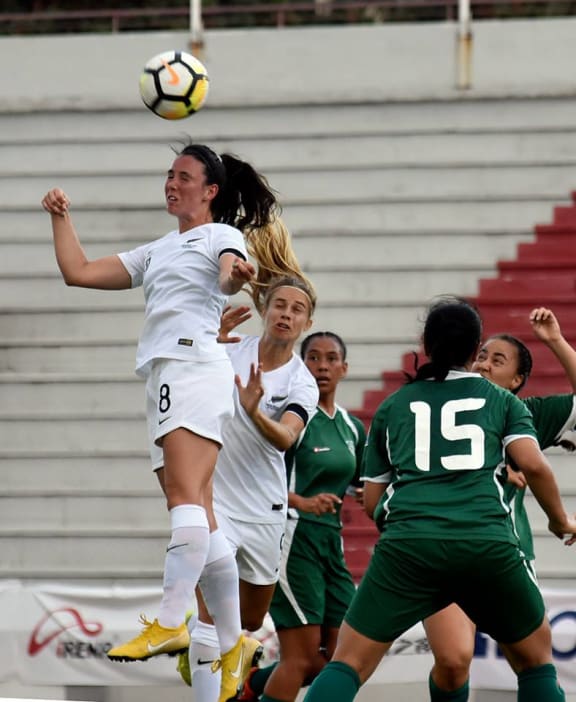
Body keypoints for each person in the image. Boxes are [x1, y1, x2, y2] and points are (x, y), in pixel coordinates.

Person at [41, 141, 305, 701]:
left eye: (183, 176)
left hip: (191, 367)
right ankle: (233, 643)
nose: (172, 182)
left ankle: (170, 620)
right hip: (169, 372)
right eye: (169, 174)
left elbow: (233, 273)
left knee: (185, 502)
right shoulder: (161, 248)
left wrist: (236, 277)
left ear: (210, 191)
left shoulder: (220, 237)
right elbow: (79, 272)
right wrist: (61, 218)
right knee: (202, 519)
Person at [301, 296, 576, 702]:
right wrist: (559, 521)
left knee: (349, 663)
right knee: (533, 663)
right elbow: (535, 467)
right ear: (472, 350)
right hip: (488, 545)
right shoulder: (504, 403)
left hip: (410, 547)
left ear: (427, 346)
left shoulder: (395, 405)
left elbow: (373, 496)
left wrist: (410, 527)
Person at [417, 306, 576, 702]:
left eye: (498, 360)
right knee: (453, 664)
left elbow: (537, 468)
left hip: (506, 551)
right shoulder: (430, 407)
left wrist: (555, 340)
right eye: (483, 354)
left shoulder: (527, 414)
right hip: (444, 546)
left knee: (535, 663)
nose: (485, 363)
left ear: (518, 380)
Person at [180, 275, 320, 702]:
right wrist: (209, 339)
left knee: (253, 619)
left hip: (264, 508)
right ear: (265, 310)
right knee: (211, 613)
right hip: (216, 499)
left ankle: (221, 642)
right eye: (280, 305)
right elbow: (182, 366)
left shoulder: (302, 382)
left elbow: (286, 438)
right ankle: (207, 666)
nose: (286, 314)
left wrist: (255, 411)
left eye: (297, 310)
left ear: (307, 322)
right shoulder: (230, 349)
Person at [236, 331, 366, 702]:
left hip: (330, 544)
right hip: (292, 540)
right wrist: (302, 502)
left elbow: (365, 483)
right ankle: (251, 686)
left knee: (343, 657)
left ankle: (250, 683)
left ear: (344, 368)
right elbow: (256, 479)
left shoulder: (352, 427)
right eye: (313, 357)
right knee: (301, 659)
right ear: (300, 364)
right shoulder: (289, 419)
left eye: (330, 358)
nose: (322, 366)